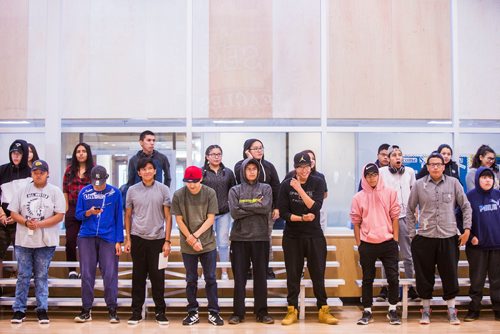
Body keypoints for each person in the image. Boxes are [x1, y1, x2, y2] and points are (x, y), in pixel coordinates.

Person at [407, 152, 472, 325]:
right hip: (425, 238)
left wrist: (466, 229)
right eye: (432, 164)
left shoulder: (454, 183)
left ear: (444, 166)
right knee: (424, 276)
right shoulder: (419, 185)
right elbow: (409, 209)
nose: (435, 167)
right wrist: (413, 234)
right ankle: (426, 310)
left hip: (448, 237)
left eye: (439, 164)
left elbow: (466, 206)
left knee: (450, 274)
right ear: (427, 167)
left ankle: (452, 310)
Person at [277, 152, 338, 326]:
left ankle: (323, 309)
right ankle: (292, 310)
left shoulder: (318, 182)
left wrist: (299, 189)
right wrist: (302, 218)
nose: (303, 170)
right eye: (300, 167)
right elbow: (284, 214)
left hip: (314, 235)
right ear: (295, 168)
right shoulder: (285, 185)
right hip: (292, 236)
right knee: (293, 275)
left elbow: (315, 207)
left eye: (306, 167)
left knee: (318, 274)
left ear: (311, 166)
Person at [8, 160, 65, 324]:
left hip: (46, 242)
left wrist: (39, 224)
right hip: (23, 240)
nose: (38, 175)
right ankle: (19, 310)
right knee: (23, 276)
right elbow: (13, 212)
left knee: (41, 276)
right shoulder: (22, 191)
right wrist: (26, 222)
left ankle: (42, 309)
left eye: (41, 172)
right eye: (35, 172)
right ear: (31, 173)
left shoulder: (55, 191)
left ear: (47, 173)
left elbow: (60, 215)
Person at [171, 166, 224, 326]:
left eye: (194, 182)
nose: (191, 185)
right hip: (188, 245)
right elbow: (179, 220)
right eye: (188, 182)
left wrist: (196, 236)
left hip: (207, 243)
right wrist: (191, 239)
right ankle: (192, 311)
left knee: (211, 278)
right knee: (191, 279)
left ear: (201, 179)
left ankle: (214, 312)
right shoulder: (179, 195)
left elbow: (210, 219)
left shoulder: (210, 193)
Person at [351, 163, 401, 325]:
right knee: (367, 279)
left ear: (379, 175)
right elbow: (356, 222)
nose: (372, 178)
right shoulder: (358, 197)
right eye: (368, 175)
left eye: (374, 174)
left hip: (388, 242)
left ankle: (392, 309)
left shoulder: (390, 193)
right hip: (367, 243)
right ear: (364, 178)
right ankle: (367, 311)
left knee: (393, 278)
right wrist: (359, 243)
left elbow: (395, 217)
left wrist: (395, 239)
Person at [124, 158, 172, 325]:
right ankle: (136, 312)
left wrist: (167, 241)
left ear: (155, 171)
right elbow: (128, 215)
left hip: (158, 240)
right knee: (138, 277)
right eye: (143, 169)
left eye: (150, 168)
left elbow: (168, 217)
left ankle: (160, 312)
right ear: (139, 172)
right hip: (137, 238)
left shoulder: (164, 189)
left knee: (158, 277)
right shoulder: (131, 190)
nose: (147, 171)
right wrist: (128, 239)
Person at [74, 165, 124, 324]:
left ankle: (112, 309)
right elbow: (78, 215)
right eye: (95, 182)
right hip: (86, 236)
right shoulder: (84, 192)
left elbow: (118, 218)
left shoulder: (115, 193)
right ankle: (86, 309)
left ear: (106, 178)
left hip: (108, 237)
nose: (97, 185)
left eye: (100, 182)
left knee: (110, 274)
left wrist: (119, 241)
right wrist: (89, 212)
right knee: (87, 274)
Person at [227, 158, 274, 325]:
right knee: (239, 278)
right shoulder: (235, 190)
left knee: (261, 278)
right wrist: (255, 205)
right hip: (239, 239)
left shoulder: (266, 188)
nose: (252, 171)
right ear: (243, 171)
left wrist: (244, 205)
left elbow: (266, 208)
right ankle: (238, 313)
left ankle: (262, 313)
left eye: (255, 168)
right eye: (249, 169)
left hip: (260, 238)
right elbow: (234, 212)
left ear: (258, 171)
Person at [234, 139, 280, 279]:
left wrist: (277, 207)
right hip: (245, 212)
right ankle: (247, 269)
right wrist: (249, 161)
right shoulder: (240, 166)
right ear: (247, 150)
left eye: (261, 148)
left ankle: (266, 268)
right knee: (246, 242)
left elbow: (276, 187)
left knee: (266, 240)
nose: (260, 150)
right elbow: (245, 180)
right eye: (255, 148)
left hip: (265, 211)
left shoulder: (269, 166)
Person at [378, 145, 419, 301]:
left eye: (400, 154)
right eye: (394, 155)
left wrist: (415, 211)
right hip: (387, 218)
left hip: (405, 217)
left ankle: (411, 287)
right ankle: (386, 287)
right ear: (388, 159)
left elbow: (413, 192)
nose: (397, 157)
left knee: (408, 255)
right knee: (387, 254)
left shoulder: (409, 172)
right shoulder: (381, 173)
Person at [463, 167, 500, 322]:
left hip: (497, 246)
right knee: (477, 280)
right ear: (477, 179)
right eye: (484, 177)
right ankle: (474, 310)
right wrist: (470, 236)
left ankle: (498, 309)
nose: (487, 180)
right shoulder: (470, 197)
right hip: (476, 248)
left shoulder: (498, 195)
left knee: (497, 280)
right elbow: (460, 219)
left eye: (490, 177)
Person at [201, 145, 236, 280]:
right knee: (206, 243)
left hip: (224, 213)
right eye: (213, 154)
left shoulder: (228, 172)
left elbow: (233, 191)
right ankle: (205, 272)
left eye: (219, 154)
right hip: (206, 214)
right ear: (207, 156)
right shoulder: (201, 172)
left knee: (223, 242)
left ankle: (224, 272)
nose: (216, 157)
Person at [0, 139, 32, 280]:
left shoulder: (31, 173)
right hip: (3, 217)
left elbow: (31, 199)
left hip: (21, 220)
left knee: (23, 257)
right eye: (13, 153)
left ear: (24, 155)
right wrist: (0, 212)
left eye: (19, 153)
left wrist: (17, 216)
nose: (16, 156)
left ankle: (22, 291)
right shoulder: (2, 170)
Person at [62, 143, 94, 279]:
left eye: (84, 151)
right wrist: (66, 208)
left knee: (87, 241)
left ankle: (85, 269)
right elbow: (65, 190)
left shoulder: (94, 170)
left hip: (89, 209)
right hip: (73, 208)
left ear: (88, 154)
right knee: (70, 240)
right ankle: (72, 270)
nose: (81, 153)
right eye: (78, 151)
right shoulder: (69, 170)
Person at [284, 150, 328, 231]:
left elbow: (323, 196)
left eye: (313, 158)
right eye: (301, 167)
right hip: (293, 227)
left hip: (314, 224)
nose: (311, 160)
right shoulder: (290, 177)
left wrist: (306, 195)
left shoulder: (319, 178)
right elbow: (283, 209)